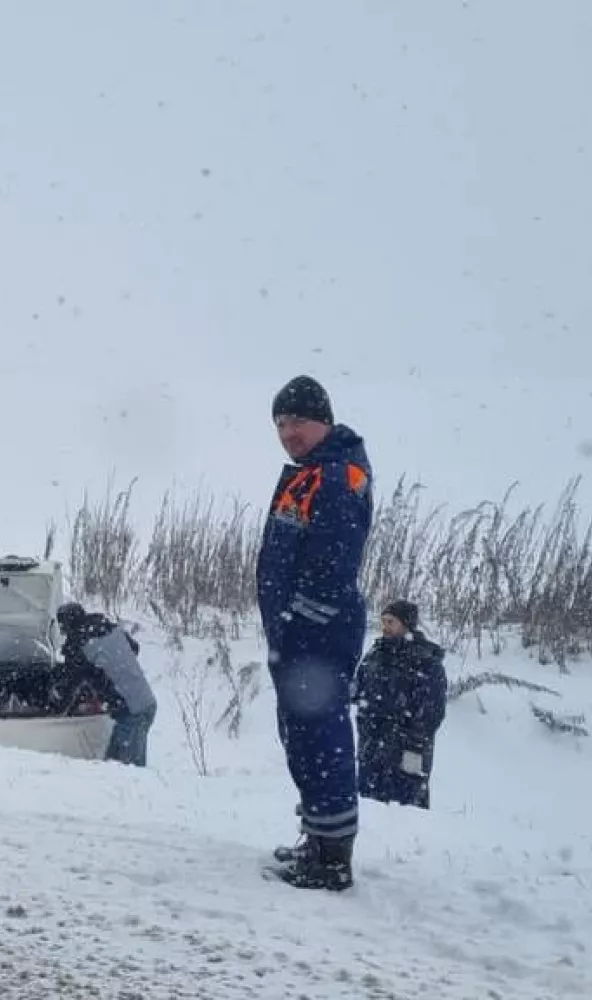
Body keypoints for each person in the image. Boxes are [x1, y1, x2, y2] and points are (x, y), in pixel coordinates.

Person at [256, 375, 373, 892]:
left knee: (321, 739)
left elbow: (334, 559)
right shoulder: (309, 473)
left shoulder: (335, 475)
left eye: (297, 421)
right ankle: (317, 839)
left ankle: (332, 861)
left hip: (316, 633)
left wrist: (300, 617)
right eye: (280, 424)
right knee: (301, 737)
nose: (287, 432)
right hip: (297, 633)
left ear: (322, 418)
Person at [353, 599, 448, 809]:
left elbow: (433, 712)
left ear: (406, 625)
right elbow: (358, 688)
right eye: (383, 621)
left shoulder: (427, 662)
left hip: (408, 752)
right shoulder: (375, 654)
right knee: (369, 813)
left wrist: (405, 733)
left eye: (391, 622)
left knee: (406, 814)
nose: (385, 627)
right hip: (371, 746)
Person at [56, 603, 157, 767]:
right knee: (112, 768)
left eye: (63, 627)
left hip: (132, 711)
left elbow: (71, 683)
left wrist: (58, 708)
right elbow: (134, 648)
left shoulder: (79, 644)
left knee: (128, 775)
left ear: (67, 625)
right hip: (144, 701)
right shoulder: (109, 627)